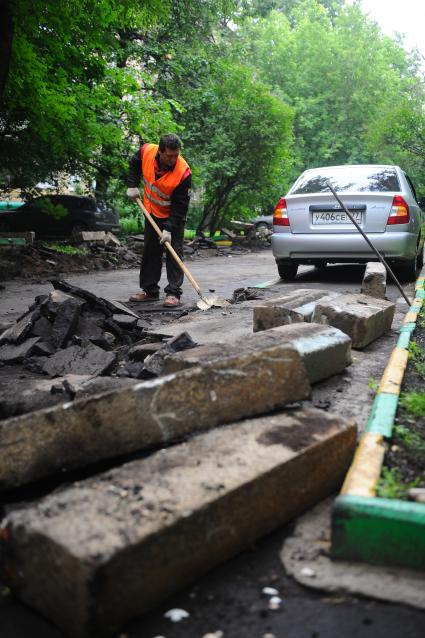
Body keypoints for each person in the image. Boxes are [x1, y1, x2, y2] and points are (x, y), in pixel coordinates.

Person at [126, 133, 191, 307]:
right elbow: (134, 163)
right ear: (160, 152)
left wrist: (169, 228)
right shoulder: (146, 151)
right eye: (170, 155)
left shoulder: (183, 172)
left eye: (176, 155)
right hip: (152, 210)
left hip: (174, 215)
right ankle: (150, 291)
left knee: (173, 252)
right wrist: (132, 185)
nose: (173, 159)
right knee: (150, 250)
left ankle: (173, 293)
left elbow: (180, 205)